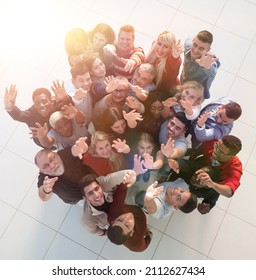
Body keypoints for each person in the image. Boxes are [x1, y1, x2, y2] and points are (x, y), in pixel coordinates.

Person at [168, 135, 243, 213]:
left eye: (220, 151)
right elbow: (195, 154)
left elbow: (228, 192)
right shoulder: (212, 143)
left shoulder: (235, 167)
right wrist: (177, 162)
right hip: (198, 168)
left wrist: (211, 185)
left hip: (212, 183)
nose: (215, 150)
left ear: (230, 157)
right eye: (216, 146)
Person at [4, 81, 72, 147]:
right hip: (48, 141)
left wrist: (65, 97)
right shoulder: (32, 114)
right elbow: (19, 115)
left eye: (44, 101)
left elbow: (70, 104)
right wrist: (10, 107)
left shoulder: (58, 104)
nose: (41, 105)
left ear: (51, 101)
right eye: (37, 104)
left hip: (70, 132)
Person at [79, 169, 136, 235]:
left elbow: (115, 177)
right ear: (85, 198)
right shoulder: (87, 219)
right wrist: (105, 232)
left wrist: (129, 174)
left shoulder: (103, 183)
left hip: (120, 207)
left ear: (101, 186)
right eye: (90, 193)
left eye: (97, 189)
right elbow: (93, 231)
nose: (96, 195)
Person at [107, 181, 152, 252]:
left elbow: (121, 190)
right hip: (142, 220)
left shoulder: (113, 214)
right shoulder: (135, 244)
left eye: (120, 220)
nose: (127, 217)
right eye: (127, 225)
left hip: (134, 208)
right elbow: (143, 247)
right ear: (131, 233)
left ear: (113, 221)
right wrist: (149, 236)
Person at [180, 30, 220, 99]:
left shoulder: (209, 62)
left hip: (195, 97)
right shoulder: (188, 44)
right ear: (193, 41)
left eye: (201, 48)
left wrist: (207, 66)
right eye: (195, 45)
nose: (195, 50)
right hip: (182, 83)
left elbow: (212, 68)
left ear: (208, 50)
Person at [145, 31, 184, 95]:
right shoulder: (153, 57)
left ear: (171, 49)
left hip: (167, 96)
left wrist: (175, 56)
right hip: (153, 93)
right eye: (159, 44)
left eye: (166, 46)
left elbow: (174, 63)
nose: (160, 49)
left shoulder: (169, 62)